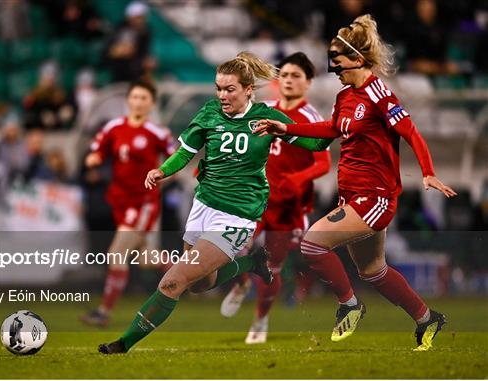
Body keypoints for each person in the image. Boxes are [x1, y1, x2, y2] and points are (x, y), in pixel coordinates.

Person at [97, 51, 332, 354]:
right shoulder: (209, 113)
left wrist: (322, 128)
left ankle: (122, 344)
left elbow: (315, 144)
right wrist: (161, 171)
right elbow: (184, 153)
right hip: (203, 206)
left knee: (172, 282)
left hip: (237, 216)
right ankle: (250, 262)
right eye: (219, 88)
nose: (222, 95)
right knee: (198, 283)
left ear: (248, 89)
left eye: (229, 89)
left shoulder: (267, 117)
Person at [253, 15, 457, 351]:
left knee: (312, 244)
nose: (333, 65)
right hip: (353, 196)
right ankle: (426, 318)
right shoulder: (346, 95)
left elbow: (411, 133)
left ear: (357, 59)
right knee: (373, 270)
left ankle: (349, 305)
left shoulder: (379, 95)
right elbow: (332, 129)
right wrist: (286, 128)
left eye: (338, 58)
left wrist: (428, 171)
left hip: (375, 197)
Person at [219, 52, 332, 344]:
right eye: (285, 75)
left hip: (289, 207)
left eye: (296, 76)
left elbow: (323, 163)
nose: (289, 80)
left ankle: (260, 319)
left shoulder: (311, 118)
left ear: (308, 82)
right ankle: (242, 282)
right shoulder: (263, 109)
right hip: (255, 198)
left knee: (271, 268)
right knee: (227, 246)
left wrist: (296, 179)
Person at [80, 80, 176, 326]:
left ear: (151, 103)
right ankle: (192, 271)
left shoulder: (157, 132)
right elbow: (98, 150)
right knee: (147, 260)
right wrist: (94, 159)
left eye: (144, 98)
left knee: (116, 253)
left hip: (143, 202)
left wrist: (164, 176)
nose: (138, 102)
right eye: (135, 97)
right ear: (128, 100)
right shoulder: (114, 127)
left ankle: (104, 311)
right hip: (120, 202)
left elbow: (176, 159)